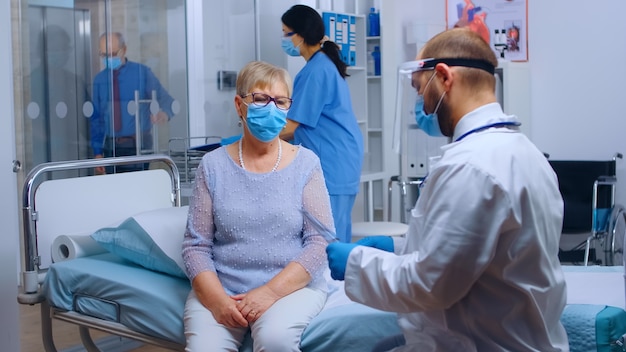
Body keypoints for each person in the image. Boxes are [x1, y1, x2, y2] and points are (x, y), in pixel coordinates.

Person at [326, 28, 569, 351]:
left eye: (419, 89)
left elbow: (431, 284)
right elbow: (475, 251)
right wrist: (398, 247)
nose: (423, 106)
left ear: (443, 76)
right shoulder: (523, 152)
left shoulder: (472, 167)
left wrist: (356, 262)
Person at [181, 61, 333, 351]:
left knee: (275, 340)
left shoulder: (306, 164)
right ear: (240, 105)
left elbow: (319, 243)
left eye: (281, 101)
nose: (271, 108)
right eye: (261, 99)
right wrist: (217, 301)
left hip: (291, 288)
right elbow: (195, 246)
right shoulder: (212, 166)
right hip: (223, 287)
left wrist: (269, 293)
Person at [280, 5, 364, 243]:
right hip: (339, 158)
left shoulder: (316, 71)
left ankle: (336, 281)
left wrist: (252, 138)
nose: (284, 39)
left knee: (329, 240)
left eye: (287, 33)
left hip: (333, 161)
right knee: (333, 234)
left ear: (301, 34)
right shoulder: (323, 64)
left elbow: (290, 127)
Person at [90, 32, 175, 174]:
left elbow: (167, 101)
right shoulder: (99, 80)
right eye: (104, 55)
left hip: (138, 145)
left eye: (112, 53)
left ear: (124, 49)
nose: (108, 58)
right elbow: (97, 120)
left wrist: (164, 113)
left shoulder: (142, 73)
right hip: (110, 147)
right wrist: (97, 152)